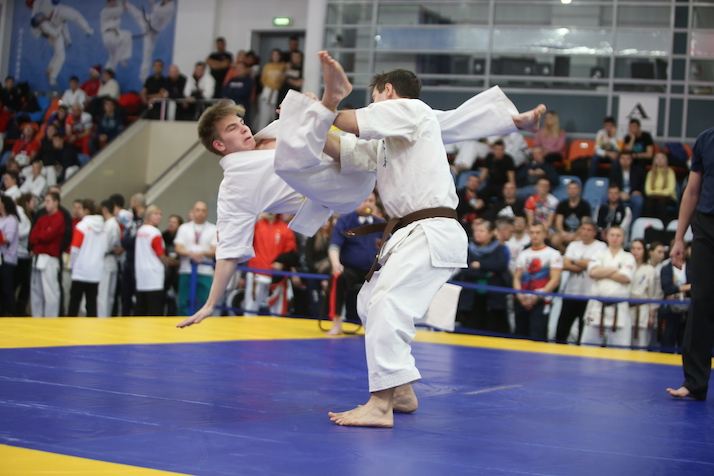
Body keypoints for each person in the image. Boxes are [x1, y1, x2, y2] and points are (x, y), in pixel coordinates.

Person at [177, 51, 546, 429]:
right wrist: (510, 121)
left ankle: (380, 404)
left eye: (374, 99)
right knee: (368, 301)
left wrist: (319, 109)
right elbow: (353, 146)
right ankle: (401, 390)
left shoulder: (409, 109)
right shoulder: (392, 140)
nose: (372, 106)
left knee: (386, 302)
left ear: (388, 92)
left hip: (428, 227)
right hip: (386, 218)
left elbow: (403, 122)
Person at [666, 127, 714, 400]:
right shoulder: (706, 140)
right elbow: (692, 191)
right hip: (706, 227)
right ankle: (695, 382)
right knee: (701, 300)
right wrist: (679, 239)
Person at [326, 193, 384, 335]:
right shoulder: (345, 221)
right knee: (338, 277)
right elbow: (334, 246)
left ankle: (377, 326)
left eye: (371, 201)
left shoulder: (380, 224)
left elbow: (391, 246)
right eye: (364, 200)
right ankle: (337, 322)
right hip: (350, 270)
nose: (368, 204)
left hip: (373, 272)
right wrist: (335, 263)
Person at [580, 226, 636, 347]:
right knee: (588, 347)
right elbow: (593, 273)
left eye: (618, 235)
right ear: (606, 237)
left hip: (619, 308)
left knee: (620, 350)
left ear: (624, 238)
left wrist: (602, 272)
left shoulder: (628, 257)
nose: (615, 238)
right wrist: (615, 269)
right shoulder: (598, 254)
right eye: (612, 235)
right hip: (597, 306)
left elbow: (625, 278)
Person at [555, 221, 607, 343]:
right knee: (561, 329)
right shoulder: (573, 245)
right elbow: (565, 264)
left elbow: (594, 265)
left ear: (594, 232)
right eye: (583, 229)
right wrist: (584, 264)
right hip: (570, 293)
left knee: (583, 330)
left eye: (589, 230)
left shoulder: (601, 246)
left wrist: (574, 261)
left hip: (588, 294)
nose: (585, 232)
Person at [457, 220, 510, 333]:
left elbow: (501, 265)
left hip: (493, 300)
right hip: (471, 299)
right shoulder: (468, 248)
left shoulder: (499, 248)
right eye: (476, 230)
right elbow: (465, 270)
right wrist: (488, 273)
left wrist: (480, 265)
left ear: (490, 233)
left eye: (481, 231)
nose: (478, 233)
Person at [513, 222, 562, 340]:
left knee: (537, 335)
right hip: (523, 298)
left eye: (538, 232)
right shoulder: (523, 254)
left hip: (541, 300)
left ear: (545, 234)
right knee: (520, 335)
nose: (535, 235)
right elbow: (517, 277)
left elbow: (555, 280)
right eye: (532, 233)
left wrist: (538, 296)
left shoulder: (553, 254)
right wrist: (520, 296)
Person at [242, 213, 298, 316]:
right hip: (256, 273)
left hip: (276, 276)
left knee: (277, 312)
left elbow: (291, 250)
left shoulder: (285, 228)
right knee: (250, 308)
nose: (271, 212)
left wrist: (282, 262)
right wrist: (256, 219)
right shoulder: (256, 225)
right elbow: (243, 238)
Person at [174, 201, 217, 317]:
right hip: (186, 270)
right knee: (183, 301)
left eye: (203, 210)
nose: (200, 213)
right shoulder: (184, 228)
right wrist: (191, 254)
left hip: (205, 271)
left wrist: (200, 254)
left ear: (207, 213)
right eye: (197, 210)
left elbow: (215, 250)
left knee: (204, 302)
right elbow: (178, 247)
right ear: (193, 211)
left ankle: (203, 325)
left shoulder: (213, 228)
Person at [29, 191, 65, 317]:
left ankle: (51, 319)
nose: (46, 204)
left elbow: (47, 236)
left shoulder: (59, 218)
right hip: (38, 256)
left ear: (56, 202)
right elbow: (33, 237)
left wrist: (42, 234)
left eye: (48, 201)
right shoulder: (42, 218)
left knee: (51, 291)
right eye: (45, 201)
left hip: (50, 258)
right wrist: (43, 233)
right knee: (36, 291)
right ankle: (37, 317)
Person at [68, 199, 106, 317]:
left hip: (80, 270)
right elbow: (104, 248)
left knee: (74, 303)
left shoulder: (82, 226)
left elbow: (75, 249)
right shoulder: (103, 228)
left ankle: (70, 324)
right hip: (95, 271)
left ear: (85, 210)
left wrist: (73, 265)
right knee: (92, 304)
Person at [125, 0, 176, 81]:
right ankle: (126, 4)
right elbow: (155, 11)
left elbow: (156, 11)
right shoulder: (162, 3)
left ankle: (143, 78)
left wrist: (151, 2)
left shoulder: (170, 8)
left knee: (147, 54)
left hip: (152, 33)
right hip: (148, 22)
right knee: (137, 14)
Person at [135, 205, 171, 316]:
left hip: (141, 273)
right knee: (155, 309)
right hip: (154, 275)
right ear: (148, 216)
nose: (159, 217)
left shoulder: (140, 231)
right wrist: (170, 263)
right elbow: (160, 254)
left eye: (160, 214)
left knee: (141, 307)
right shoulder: (155, 233)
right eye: (156, 214)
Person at [659, 242, 691, 350]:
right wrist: (686, 287)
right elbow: (667, 288)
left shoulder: (693, 267)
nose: (678, 254)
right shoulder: (666, 268)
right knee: (667, 342)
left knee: (686, 345)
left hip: (689, 313)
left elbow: (697, 287)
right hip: (670, 313)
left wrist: (678, 290)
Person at [629, 239, 658, 348]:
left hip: (642, 309)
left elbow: (653, 294)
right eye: (633, 248)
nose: (635, 251)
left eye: (639, 248)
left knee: (641, 344)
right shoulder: (626, 266)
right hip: (626, 308)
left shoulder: (649, 269)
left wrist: (651, 315)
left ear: (644, 251)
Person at [97, 199, 120, 318]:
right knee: (109, 294)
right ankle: (107, 316)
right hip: (111, 261)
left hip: (106, 260)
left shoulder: (109, 224)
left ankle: (103, 317)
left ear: (104, 210)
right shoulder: (114, 224)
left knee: (103, 293)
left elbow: (104, 246)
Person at [609, 152, 645, 221]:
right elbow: (612, 184)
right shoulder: (615, 170)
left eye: (627, 158)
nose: (625, 161)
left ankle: (633, 223)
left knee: (639, 200)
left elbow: (642, 184)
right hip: (618, 193)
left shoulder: (638, 170)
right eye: (622, 158)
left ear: (631, 160)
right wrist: (619, 193)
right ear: (619, 159)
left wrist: (639, 191)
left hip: (632, 194)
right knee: (605, 198)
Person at [554, 181, 591, 248]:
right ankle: (564, 252)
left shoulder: (585, 205)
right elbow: (558, 222)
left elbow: (584, 224)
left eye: (575, 188)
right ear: (567, 191)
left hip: (578, 233)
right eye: (570, 188)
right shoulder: (562, 205)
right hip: (565, 232)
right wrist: (562, 232)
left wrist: (574, 235)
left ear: (579, 190)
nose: (572, 191)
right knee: (555, 239)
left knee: (579, 240)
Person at [256, 49, 286, 130]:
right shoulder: (267, 66)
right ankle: (261, 132)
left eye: (277, 55)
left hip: (277, 91)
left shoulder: (283, 66)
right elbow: (263, 79)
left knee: (273, 114)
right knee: (264, 115)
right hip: (267, 90)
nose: (275, 57)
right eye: (274, 55)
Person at [0, 196, 20, 316]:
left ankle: (10, 311)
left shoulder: (11, 220)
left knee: (7, 287)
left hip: (7, 258)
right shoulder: (1, 219)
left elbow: (8, 238)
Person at [15, 194, 34, 316]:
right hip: (20, 254)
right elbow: (18, 232)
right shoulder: (20, 213)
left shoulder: (28, 214)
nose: (34, 204)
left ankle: (18, 308)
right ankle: (15, 309)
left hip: (24, 255)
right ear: (26, 202)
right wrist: (30, 229)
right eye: (33, 201)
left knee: (24, 284)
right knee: (19, 283)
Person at [644, 152, 677, 221]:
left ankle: (663, 224)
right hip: (653, 197)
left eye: (662, 158)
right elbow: (647, 190)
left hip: (668, 197)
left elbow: (670, 190)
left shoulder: (670, 172)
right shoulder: (650, 173)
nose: (659, 160)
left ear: (666, 160)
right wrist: (657, 193)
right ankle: (649, 223)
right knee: (648, 201)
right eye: (657, 158)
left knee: (661, 202)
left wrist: (656, 193)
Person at [100, 0, 132, 71]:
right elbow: (121, 9)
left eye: (114, 2)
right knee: (127, 35)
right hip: (108, 35)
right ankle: (122, 57)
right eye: (112, 2)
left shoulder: (116, 14)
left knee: (113, 57)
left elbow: (125, 9)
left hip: (114, 35)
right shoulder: (105, 11)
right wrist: (122, 3)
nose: (113, 3)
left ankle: (108, 73)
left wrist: (122, 3)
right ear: (108, 3)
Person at [222, 62, 255, 127]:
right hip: (231, 108)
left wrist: (232, 92)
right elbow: (224, 92)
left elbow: (244, 92)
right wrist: (236, 92)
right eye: (236, 68)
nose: (238, 70)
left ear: (245, 69)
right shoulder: (231, 80)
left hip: (242, 108)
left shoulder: (249, 80)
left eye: (241, 68)